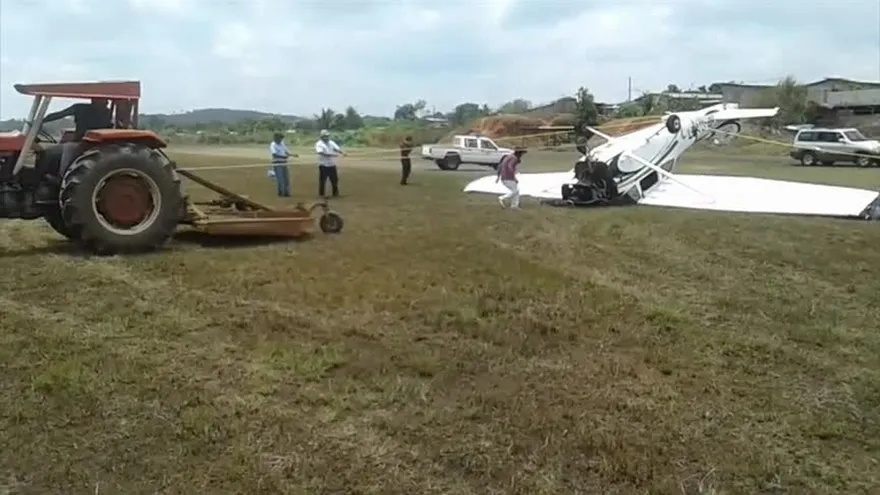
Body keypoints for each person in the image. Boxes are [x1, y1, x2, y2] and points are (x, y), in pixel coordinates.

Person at [43, 98, 112, 175]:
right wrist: (42, 121)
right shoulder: (80, 108)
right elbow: (59, 114)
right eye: (105, 100)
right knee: (52, 150)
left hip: (89, 143)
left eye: (107, 100)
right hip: (81, 142)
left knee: (67, 148)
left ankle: (63, 176)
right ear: (94, 100)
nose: (107, 102)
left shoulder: (107, 112)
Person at [314, 129, 346, 197]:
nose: (327, 137)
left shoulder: (331, 142)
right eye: (325, 136)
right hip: (323, 165)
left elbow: (337, 149)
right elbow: (321, 153)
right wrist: (332, 155)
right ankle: (321, 194)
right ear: (322, 137)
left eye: (327, 136)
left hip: (332, 164)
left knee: (335, 180)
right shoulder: (319, 144)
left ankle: (335, 193)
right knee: (323, 181)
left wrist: (342, 152)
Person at [269, 132, 298, 197]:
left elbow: (286, 152)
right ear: (275, 138)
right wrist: (283, 157)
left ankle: (286, 192)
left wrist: (293, 155)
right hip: (277, 163)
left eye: (281, 138)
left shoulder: (282, 143)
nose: (281, 139)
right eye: (280, 138)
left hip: (284, 162)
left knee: (286, 178)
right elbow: (274, 154)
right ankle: (281, 192)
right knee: (280, 179)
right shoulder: (273, 145)